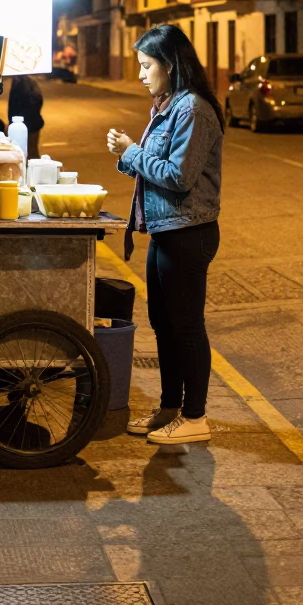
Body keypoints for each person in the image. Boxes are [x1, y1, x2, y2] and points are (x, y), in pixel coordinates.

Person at [107, 24, 224, 447]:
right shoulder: (167, 106)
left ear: (169, 65)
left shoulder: (192, 109)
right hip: (163, 229)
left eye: (146, 65)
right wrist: (125, 155)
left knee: (187, 325)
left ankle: (196, 416)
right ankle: (170, 408)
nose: (140, 74)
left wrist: (130, 152)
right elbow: (151, 165)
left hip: (188, 231)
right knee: (163, 323)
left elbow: (178, 175)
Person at [8, 74, 45, 159]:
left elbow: (14, 106)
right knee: (32, 151)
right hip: (33, 122)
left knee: (26, 153)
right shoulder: (30, 82)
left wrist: (12, 122)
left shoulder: (20, 83)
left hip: (27, 123)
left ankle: (33, 170)